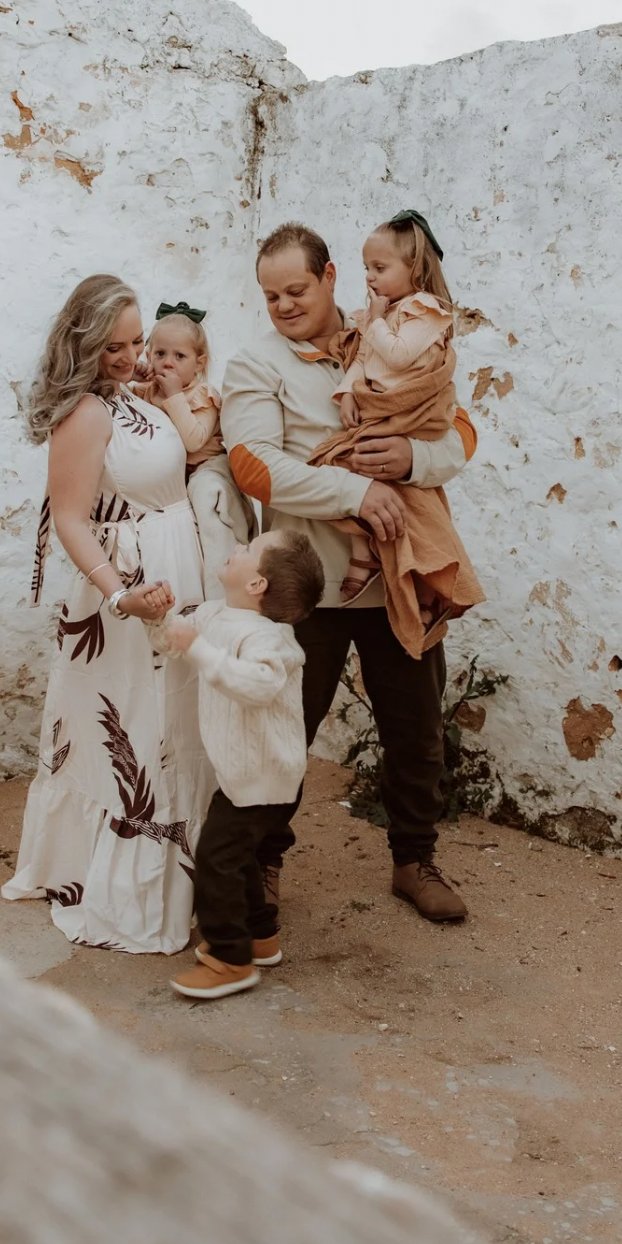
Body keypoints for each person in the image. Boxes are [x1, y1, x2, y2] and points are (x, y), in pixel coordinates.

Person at [220, 222, 478, 926]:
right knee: (283, 733)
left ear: (331, 275)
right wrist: (355, 493)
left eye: (296, 289)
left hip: (401, 575)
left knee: (417, 728)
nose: (284, 306)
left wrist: (410, 462)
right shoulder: (254, 366)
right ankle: (264, 864)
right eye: (271, 296)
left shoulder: (394, 335)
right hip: (309, 587)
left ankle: (414, 861)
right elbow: (253, 464)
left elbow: (458, 432)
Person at [2, 274, 215, 954]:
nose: (133, 357)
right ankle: (126, 889)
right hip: (128, 594)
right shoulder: (85, 414)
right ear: (85, 344)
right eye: (116, 348)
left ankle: (194, 877)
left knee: (176, 726)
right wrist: (120, 593)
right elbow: (70, 519)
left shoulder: (126, 396)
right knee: (141, 733)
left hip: (174, 574)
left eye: (137, 342)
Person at [162, 530, 326, 1001]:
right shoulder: (217, 613)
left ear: (256, 584)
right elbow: (183, 637)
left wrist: (196, 647)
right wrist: (162, 619)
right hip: (242, 772)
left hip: (269, 775)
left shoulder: (272, 640)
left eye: (249, 549)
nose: (237, 546)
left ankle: (230, 960)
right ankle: (260, 937)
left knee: (217, 859)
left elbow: (255, 686)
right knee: (240, 859)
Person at [317, 211, 483, 655]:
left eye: (379, 268)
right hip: (376, 406)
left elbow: (397, 355)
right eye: (366, 268)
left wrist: (373, 319)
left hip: (412, 408)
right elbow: (364, 361)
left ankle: (429, 587)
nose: (369, 278)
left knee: (412, 503)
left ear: (414, 268)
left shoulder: (426, 312)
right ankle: (366, 552)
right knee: (343, 467)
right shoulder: (384, 313)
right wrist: (348, 391)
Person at [132, 302, 254, 589]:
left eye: (180, 356)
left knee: (207, 497)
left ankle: (220, 580)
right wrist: (131, 378)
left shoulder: (202, 395)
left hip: (207, 466)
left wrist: (174, 397)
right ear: (149, 355)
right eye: (160, 354)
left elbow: (194, 440)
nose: (168, 362)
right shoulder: (147, 392)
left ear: (199, 362)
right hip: (175, 475)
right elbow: (123, 407)